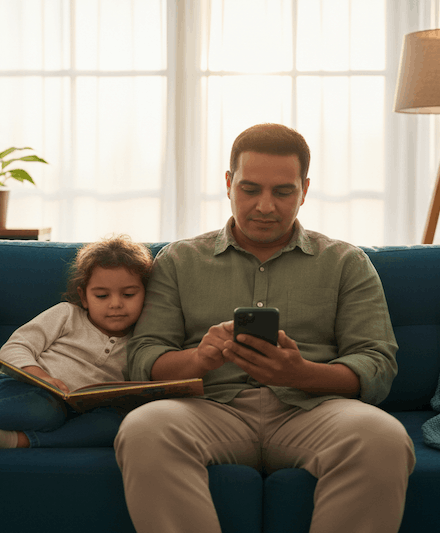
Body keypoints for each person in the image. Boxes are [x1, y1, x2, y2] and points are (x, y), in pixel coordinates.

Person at [114, 123, 416, 533]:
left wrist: (300, 374)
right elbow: (143, 361)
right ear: (228, 183)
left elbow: (377, 365)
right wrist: (200, 358)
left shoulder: (346, 262)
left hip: (312, 409)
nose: (265, 206)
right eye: (250, 189)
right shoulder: (178, 261)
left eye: (283, 191)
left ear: (304, 190)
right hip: (209, 408)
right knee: (143, 429)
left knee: (383, 438)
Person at [0, 234, 153, 461]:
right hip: (18, 389)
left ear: (147, 295)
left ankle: (14, 440)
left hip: (77, 411)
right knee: (45, 409)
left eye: (129, 294)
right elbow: (16, 346)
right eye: (101, 296)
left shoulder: (142, 340)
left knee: (118, 424)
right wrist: (39, 375)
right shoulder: (67, 314)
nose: (116, 304)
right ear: (83, 296)